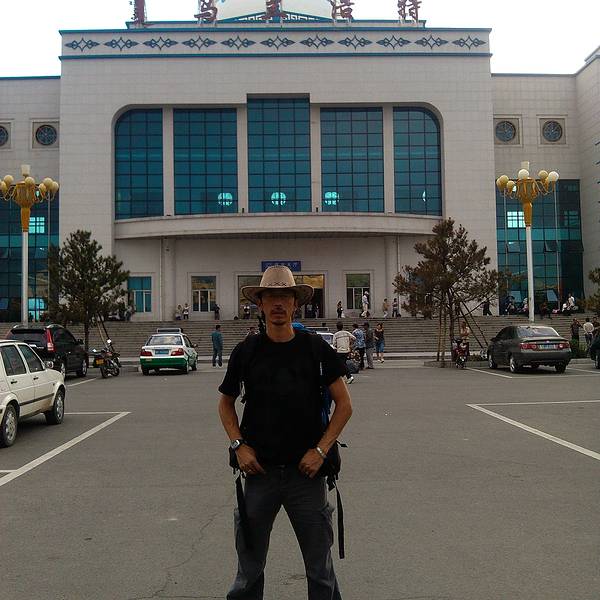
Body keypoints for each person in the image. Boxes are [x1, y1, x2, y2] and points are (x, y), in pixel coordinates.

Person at [218, 265, 352, 600]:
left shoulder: (316, 349)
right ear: (260, 304)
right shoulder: (246, 351)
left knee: (320, 570)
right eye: (270, 297)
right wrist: (238, 445)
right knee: (248, 570)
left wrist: (320, 451)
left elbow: (344, 405)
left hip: (306, 476)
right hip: (258, 475)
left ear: (295, 304)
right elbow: (225, 404)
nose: (278, 303)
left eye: (285, 297)